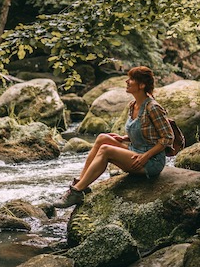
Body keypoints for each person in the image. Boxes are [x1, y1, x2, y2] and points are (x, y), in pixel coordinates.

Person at [52, 66, 174, 208]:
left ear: (142, 85)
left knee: (106, 150)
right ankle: (81, 184)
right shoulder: (133, 105)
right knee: (103, 138)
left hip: (151, 161)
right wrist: (124, 138)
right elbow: (145, 132)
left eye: (132, 79)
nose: (127, 81)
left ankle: (77, 192)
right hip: (135, 151)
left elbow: (167, 137)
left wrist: (146, 156)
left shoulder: (153, 107)